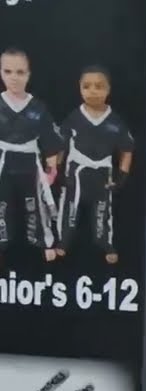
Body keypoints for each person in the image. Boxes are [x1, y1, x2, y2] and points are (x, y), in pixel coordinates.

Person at [56, 65, 133, 266]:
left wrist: (121, 177)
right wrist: (56, 170)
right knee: (69, 210)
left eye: (99, 86)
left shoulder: (116, 122)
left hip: (102, 173)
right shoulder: (73, 117)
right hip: (76, 171)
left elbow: (126, 151)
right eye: (87, 86)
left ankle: (105, 243)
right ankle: (62, 242)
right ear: (80, 88)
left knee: (102, 212)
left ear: (108, 90)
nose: (92, 91)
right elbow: (60, 146)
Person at [0, 48, 62, 265]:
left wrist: (51, 170)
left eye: (19, 72)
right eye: (8, 71)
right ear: (1, 73)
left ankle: (43, 242)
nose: (14, 77)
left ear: (28, 75)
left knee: (34, 205)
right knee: (1, 205)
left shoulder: (38, 108)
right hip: (3, 163)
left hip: (30, 163)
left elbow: (50, 141)